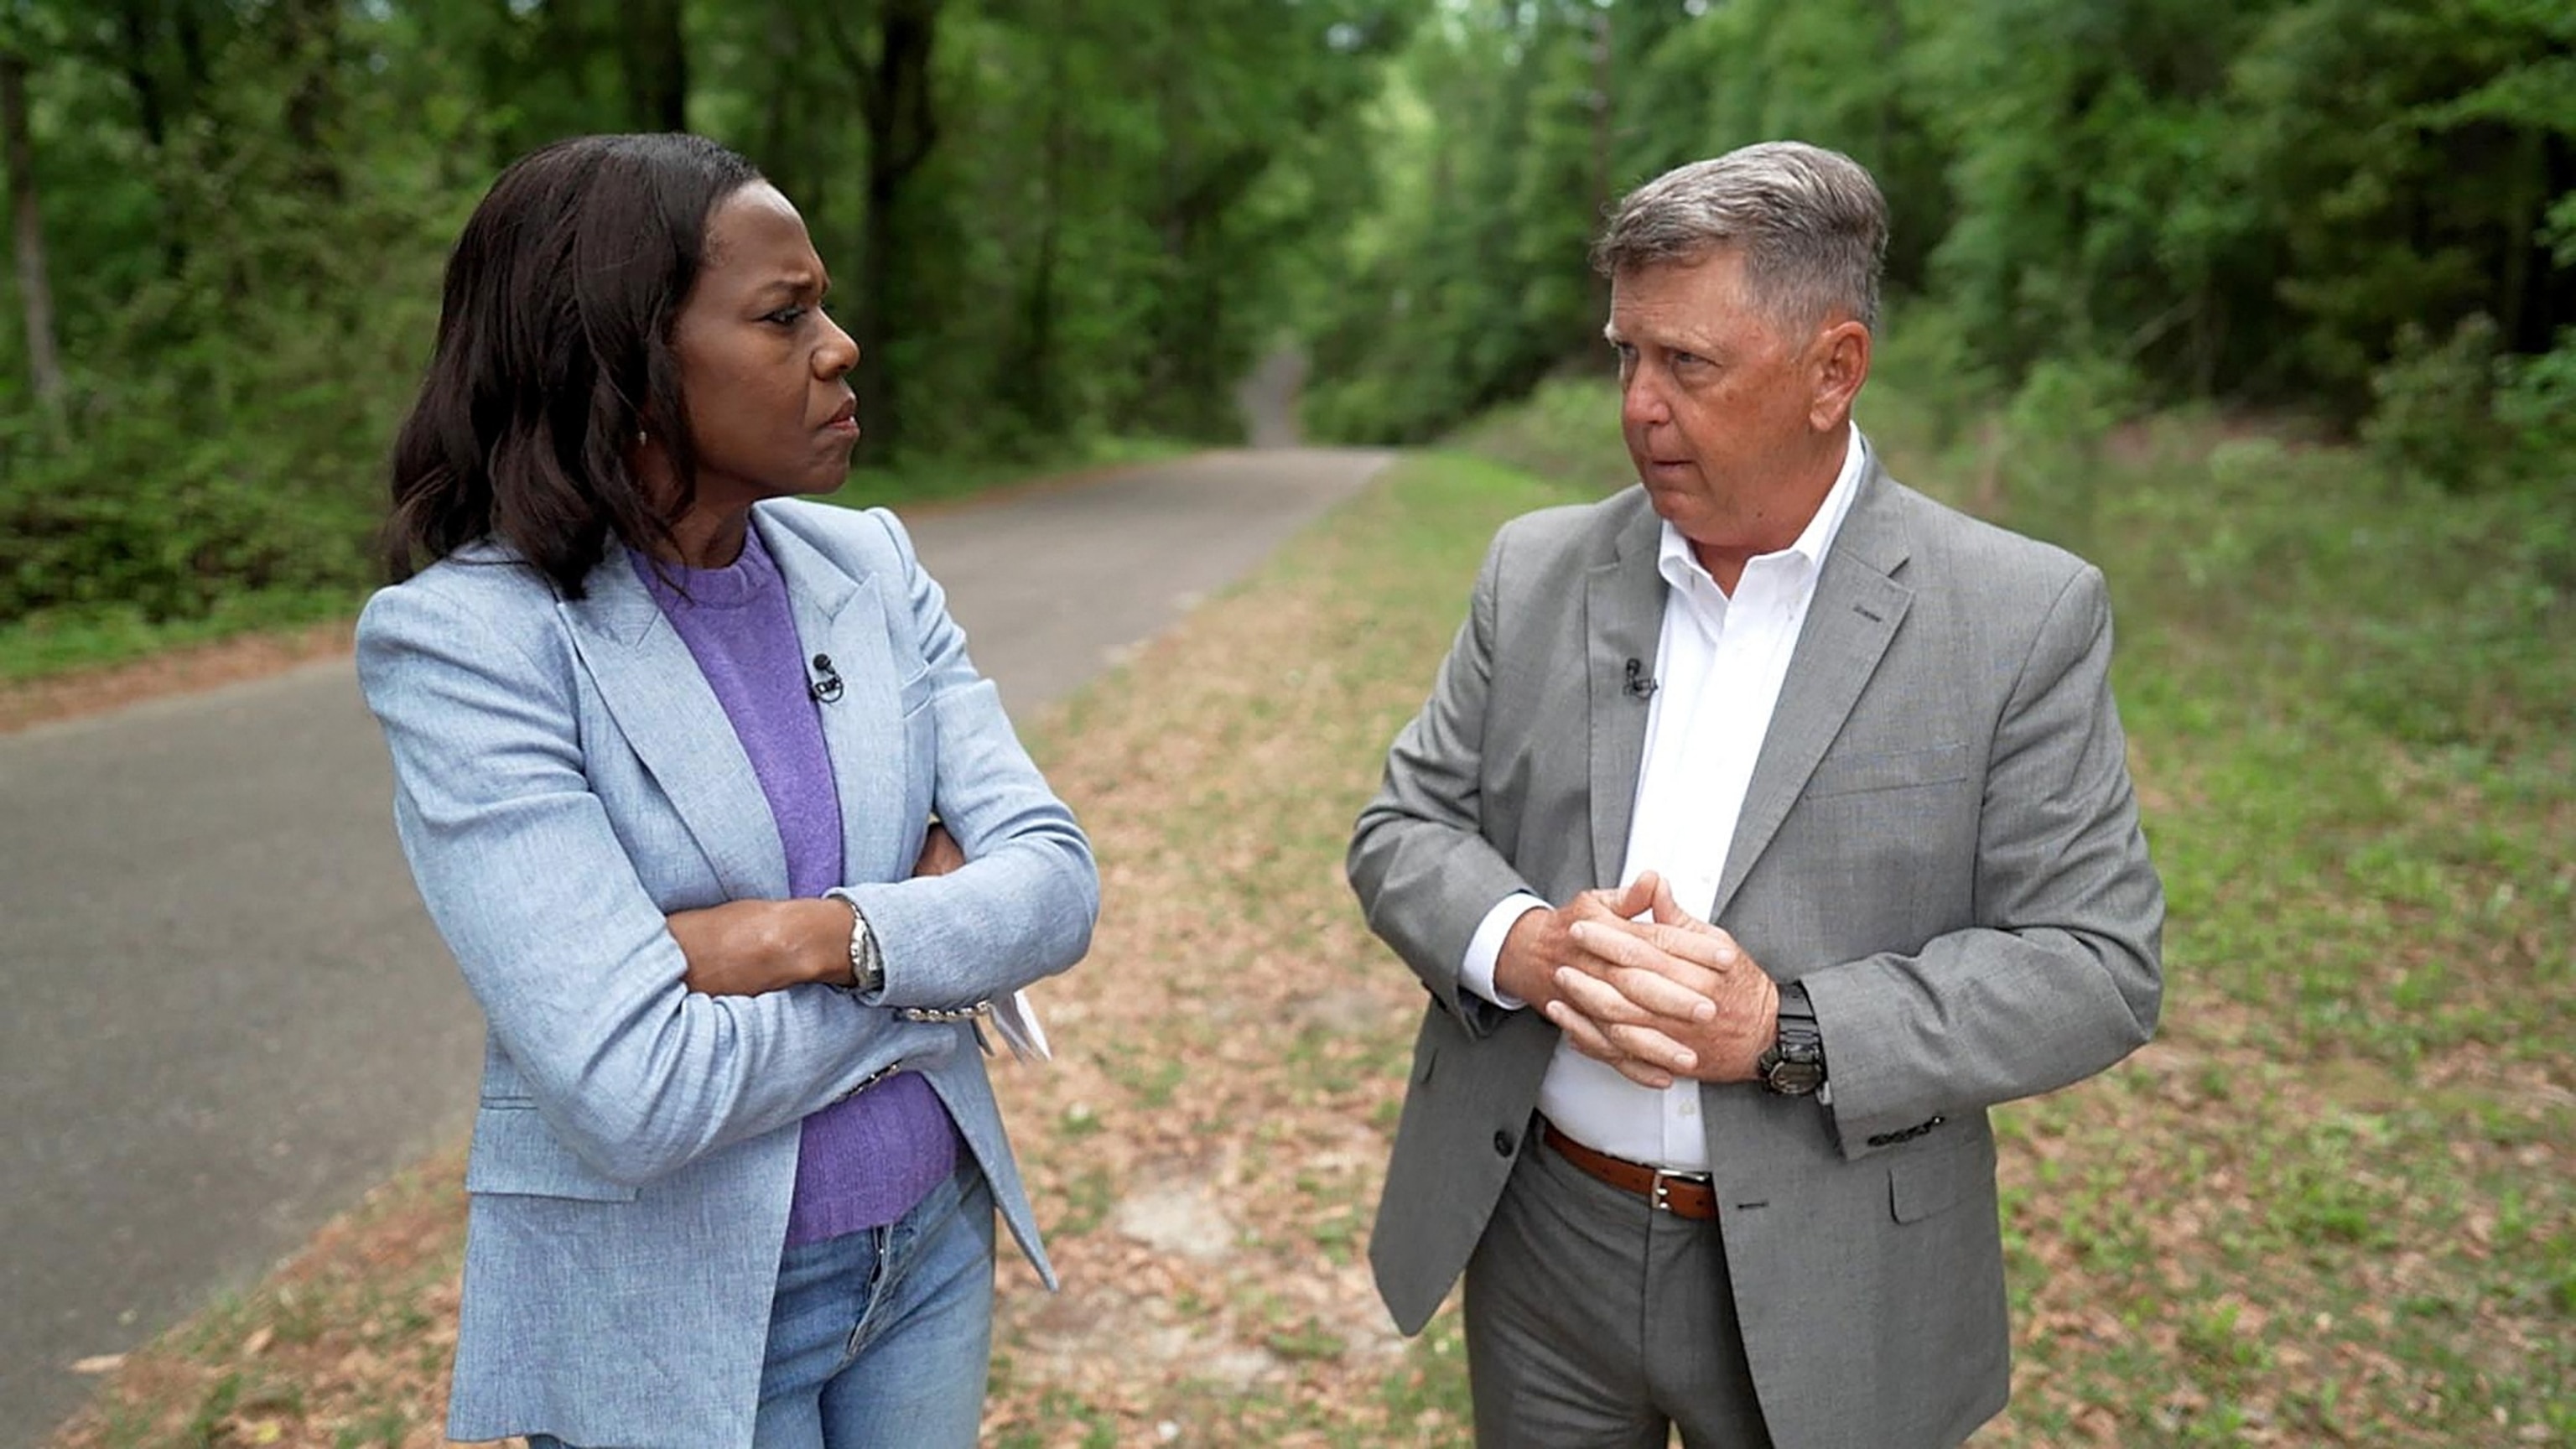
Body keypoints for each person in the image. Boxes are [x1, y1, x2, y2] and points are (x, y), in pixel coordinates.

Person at [1347, 141, 2164, 1449]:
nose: (1639, 407)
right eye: (1627, 355)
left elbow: (2098, 965)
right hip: (1542, 1243)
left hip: (1836, 1275)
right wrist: (1532, 950)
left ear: (1833, 370)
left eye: (1689, 364)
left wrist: (1785, 1029)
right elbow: (1403, 828)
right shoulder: (1537, 568)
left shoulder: (2018, 614)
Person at [356, 132, 1098, 1447]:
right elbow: (634, 1087)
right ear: (625, 361)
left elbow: (1052, 881)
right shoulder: (476, 643)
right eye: (785, 313)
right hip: (674, 1305)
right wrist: (929, 985)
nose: (841, 344)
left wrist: (815, 938)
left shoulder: (865, 563)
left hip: (928, 1246)